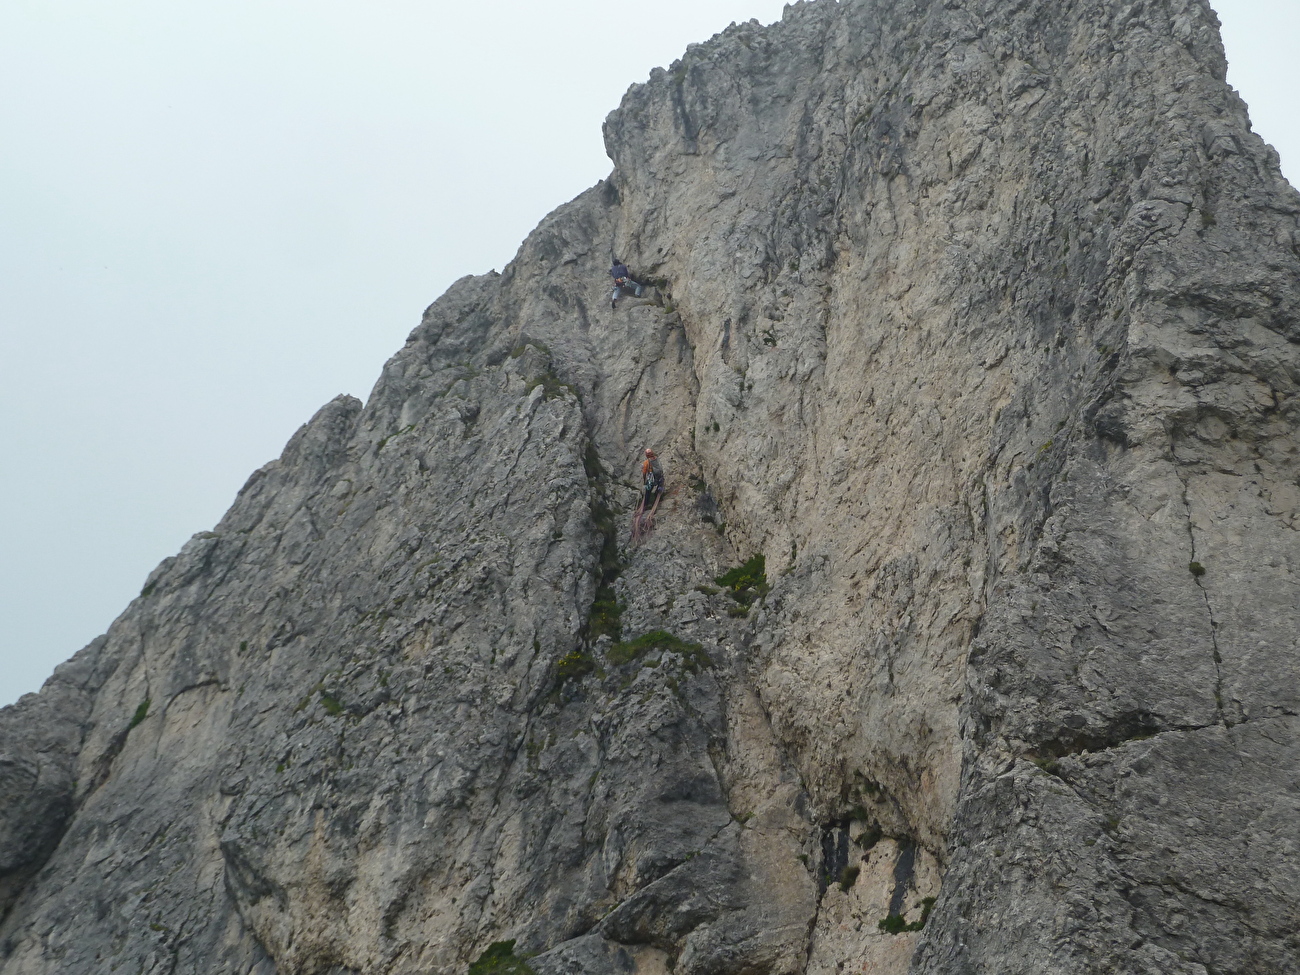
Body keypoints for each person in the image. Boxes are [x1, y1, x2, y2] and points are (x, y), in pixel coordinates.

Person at [632, 448, 665, 542]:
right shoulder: (657, 459)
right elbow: (661, 469)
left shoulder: (647, 462)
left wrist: (644, 481)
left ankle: (645, 504)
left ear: (647, 455)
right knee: (659, 487)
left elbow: (644, 473)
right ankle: (659, 493)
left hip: (651, 479)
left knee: (648, 492)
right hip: (659, 478)